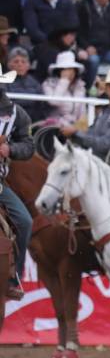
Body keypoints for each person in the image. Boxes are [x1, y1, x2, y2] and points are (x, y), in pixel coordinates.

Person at [0, 71, 35, 300]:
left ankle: (14, 277)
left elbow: (28, 145)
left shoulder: (15, 114)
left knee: (24, 221)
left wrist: (10, 150)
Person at [62, 66, 110, 159]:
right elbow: (92, 135)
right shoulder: (105, 112)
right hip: (101, 165)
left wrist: (76, 133)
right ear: (106, 89)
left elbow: (105, 145)